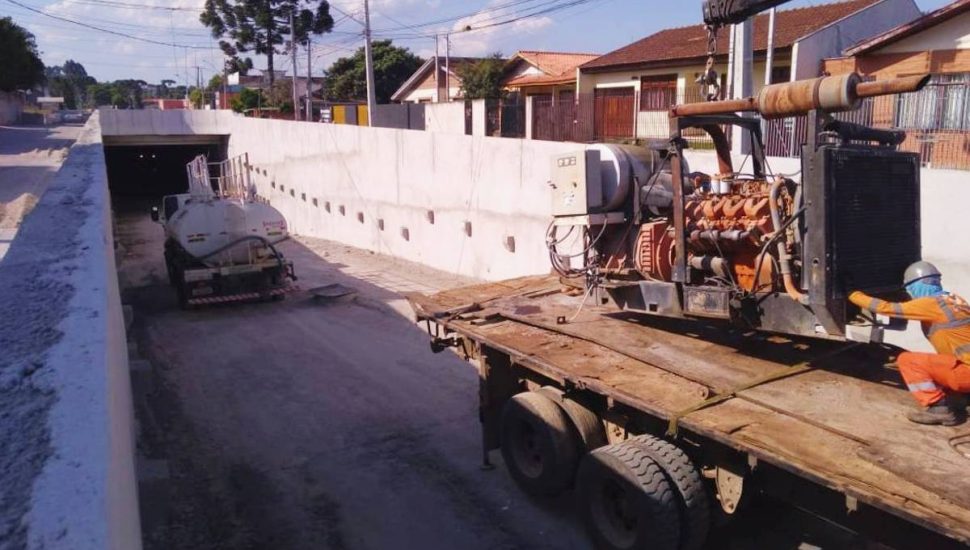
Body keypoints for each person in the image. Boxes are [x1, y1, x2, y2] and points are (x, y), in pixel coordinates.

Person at [849, 261, 970, 426]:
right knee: (943, 362)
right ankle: (964, 397)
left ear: (917, 285)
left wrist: (853, 294)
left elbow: (885, 308)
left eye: (910, 289)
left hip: (967, 373)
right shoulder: (955, 300)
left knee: (908, 360)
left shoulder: (930, 304)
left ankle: (939, 408)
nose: (910, 293)